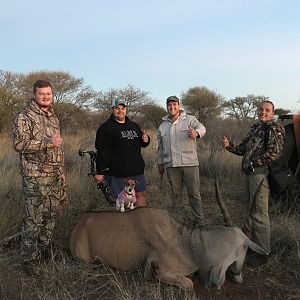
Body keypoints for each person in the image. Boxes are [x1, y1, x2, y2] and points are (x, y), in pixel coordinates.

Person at [13, 80, 67, 275]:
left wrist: (61, 170)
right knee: (33, 218)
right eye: (42, 94)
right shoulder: (24, 116)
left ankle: (44, 250)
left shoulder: (53, 117)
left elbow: (58, 146)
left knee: (50, 215)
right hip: (35, 176)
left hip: (53, 175)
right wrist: (47, 141)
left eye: (49, 94)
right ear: (34, 94)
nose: (46, 97)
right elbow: (19, 144)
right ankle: (29, 259)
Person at [222, 100, 285, 267]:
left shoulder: (275, 128)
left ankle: (263, 252)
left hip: (260, 175)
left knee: (259, 214)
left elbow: (274, 153)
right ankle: (251, 245)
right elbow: (243, 149)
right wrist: (229, 147)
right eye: (261, 109)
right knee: (250, 210)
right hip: (250, 175)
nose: (263, 112)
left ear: (272, 112)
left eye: (267, 110)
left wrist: (253, 163)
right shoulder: (256, 127)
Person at [157, 95, 206, 224]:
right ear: (167, 107)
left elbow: (202, 128)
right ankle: (180, 221)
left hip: (189, 163)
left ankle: (199, 221)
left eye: (174, 104)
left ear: (179, 105)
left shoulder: (190, 119)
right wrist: (160, 163)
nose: (172, 107)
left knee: (194, 194)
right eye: (169, 105)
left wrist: (196, 133)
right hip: (171, 165)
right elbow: (160, 147)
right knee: (176, 194)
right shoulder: (162, 126)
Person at [94, 97, 150, 206]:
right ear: (113, 109)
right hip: (117, 173)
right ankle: (124, 223)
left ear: (126, 109)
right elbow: (102, 151)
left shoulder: (134, 126)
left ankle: (140, 222)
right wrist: (100, 171)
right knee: (121, 199)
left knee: (140, 196)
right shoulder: (105, 128)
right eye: (117, 108)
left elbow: (143, 143)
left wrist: (146, 139)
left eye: (122, 108)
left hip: (136, 170)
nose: (120, 111)